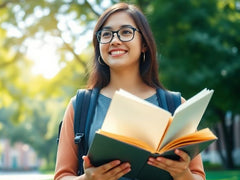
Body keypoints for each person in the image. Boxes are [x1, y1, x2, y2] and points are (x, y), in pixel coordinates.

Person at [54, 2, 205, 180]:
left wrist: (183, 174)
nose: (115, 40)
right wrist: (87, 179)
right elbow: (62, 176)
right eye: (107, 34)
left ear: (144, 45)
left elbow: (199, 177)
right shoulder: (79, 106)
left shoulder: (176, 105)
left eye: (126, 32)